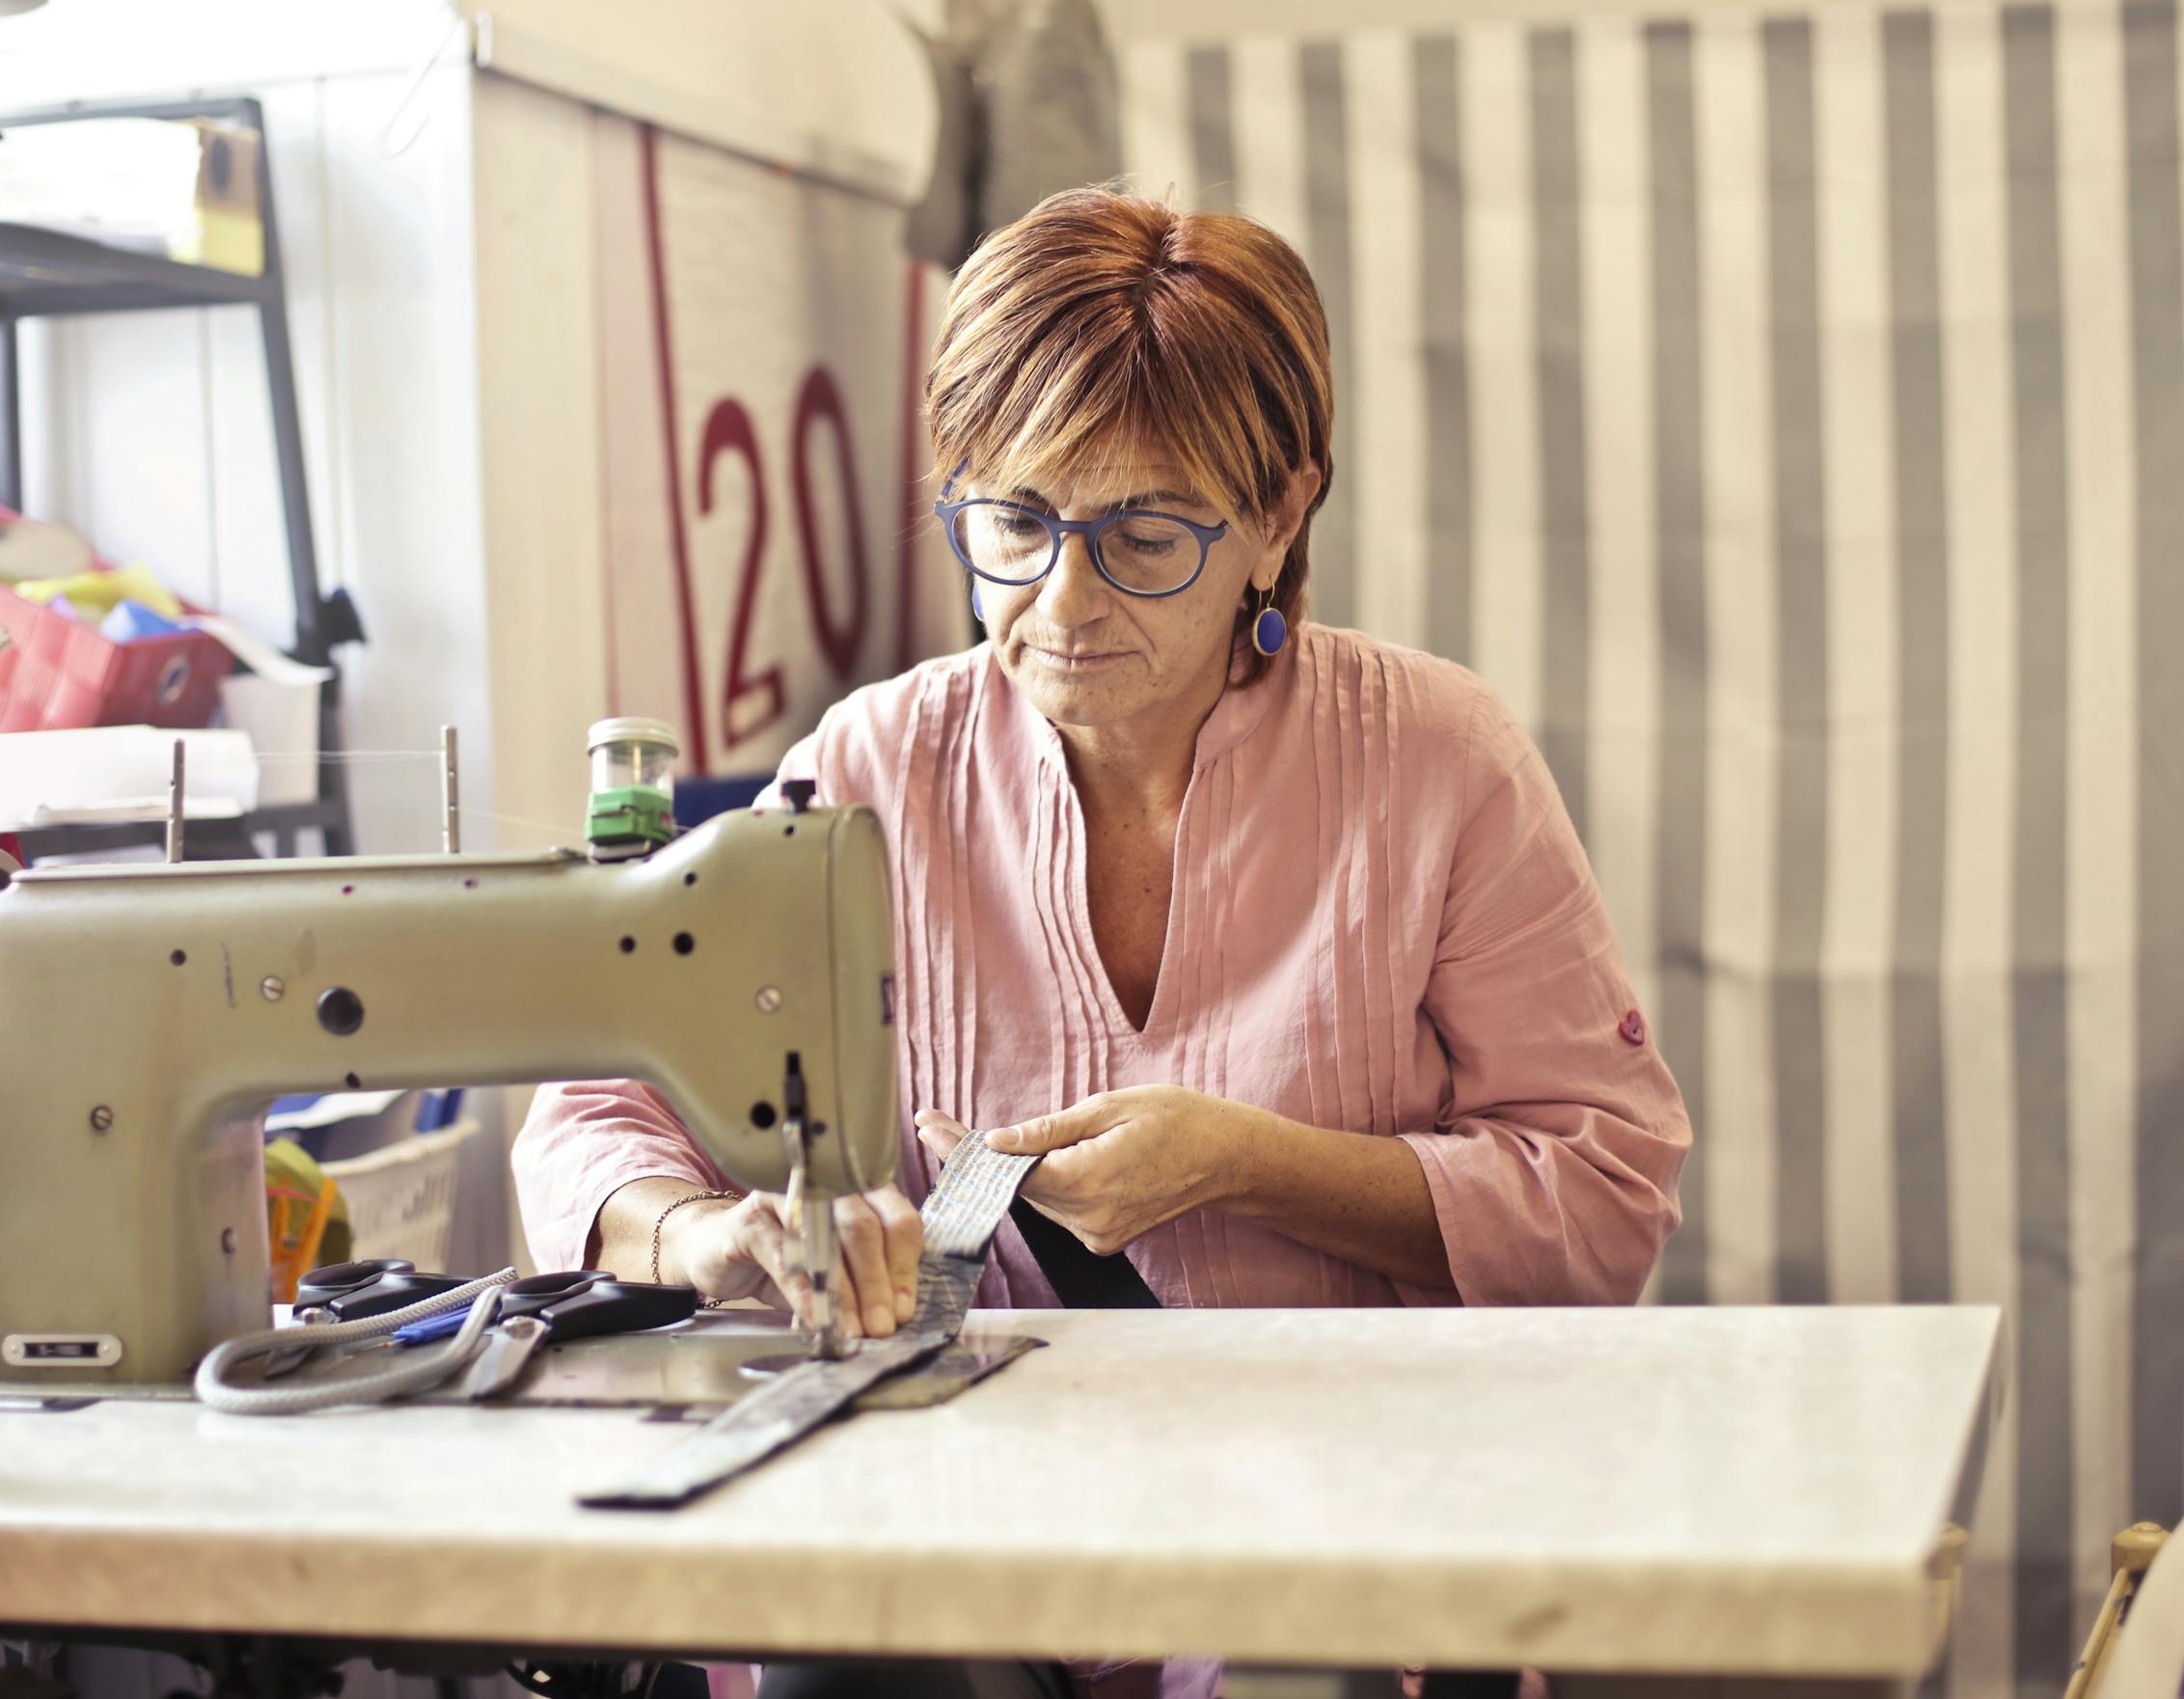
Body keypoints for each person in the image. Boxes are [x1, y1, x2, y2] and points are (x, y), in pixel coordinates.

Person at [514, 187, 1693, 1699]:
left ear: (1278, 514)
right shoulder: (871, 767)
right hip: (963, 1567)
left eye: (1142, 532)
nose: (1058, 603)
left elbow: (1606, 1195)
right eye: (1012, 524)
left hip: (1341, 1563)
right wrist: (709, 1235)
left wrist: (1249, 1162)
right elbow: (593, 1113)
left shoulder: (1437, 762)